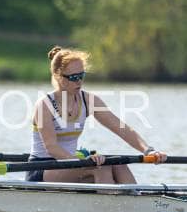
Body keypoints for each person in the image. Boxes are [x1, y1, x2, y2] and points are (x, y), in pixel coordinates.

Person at [27, 46, 167, 184]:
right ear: (58, 77)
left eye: (82, 75)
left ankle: (135, 197)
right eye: (74, 77)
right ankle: (111, 198)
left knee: (119, 164)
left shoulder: (88, 100)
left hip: (72, 165)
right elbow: (52, 147)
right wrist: (82, 163)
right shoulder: (44, 105)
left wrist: (148, 150)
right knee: (101, 168)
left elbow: (121, 129)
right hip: (42, 168)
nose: (79, 81)